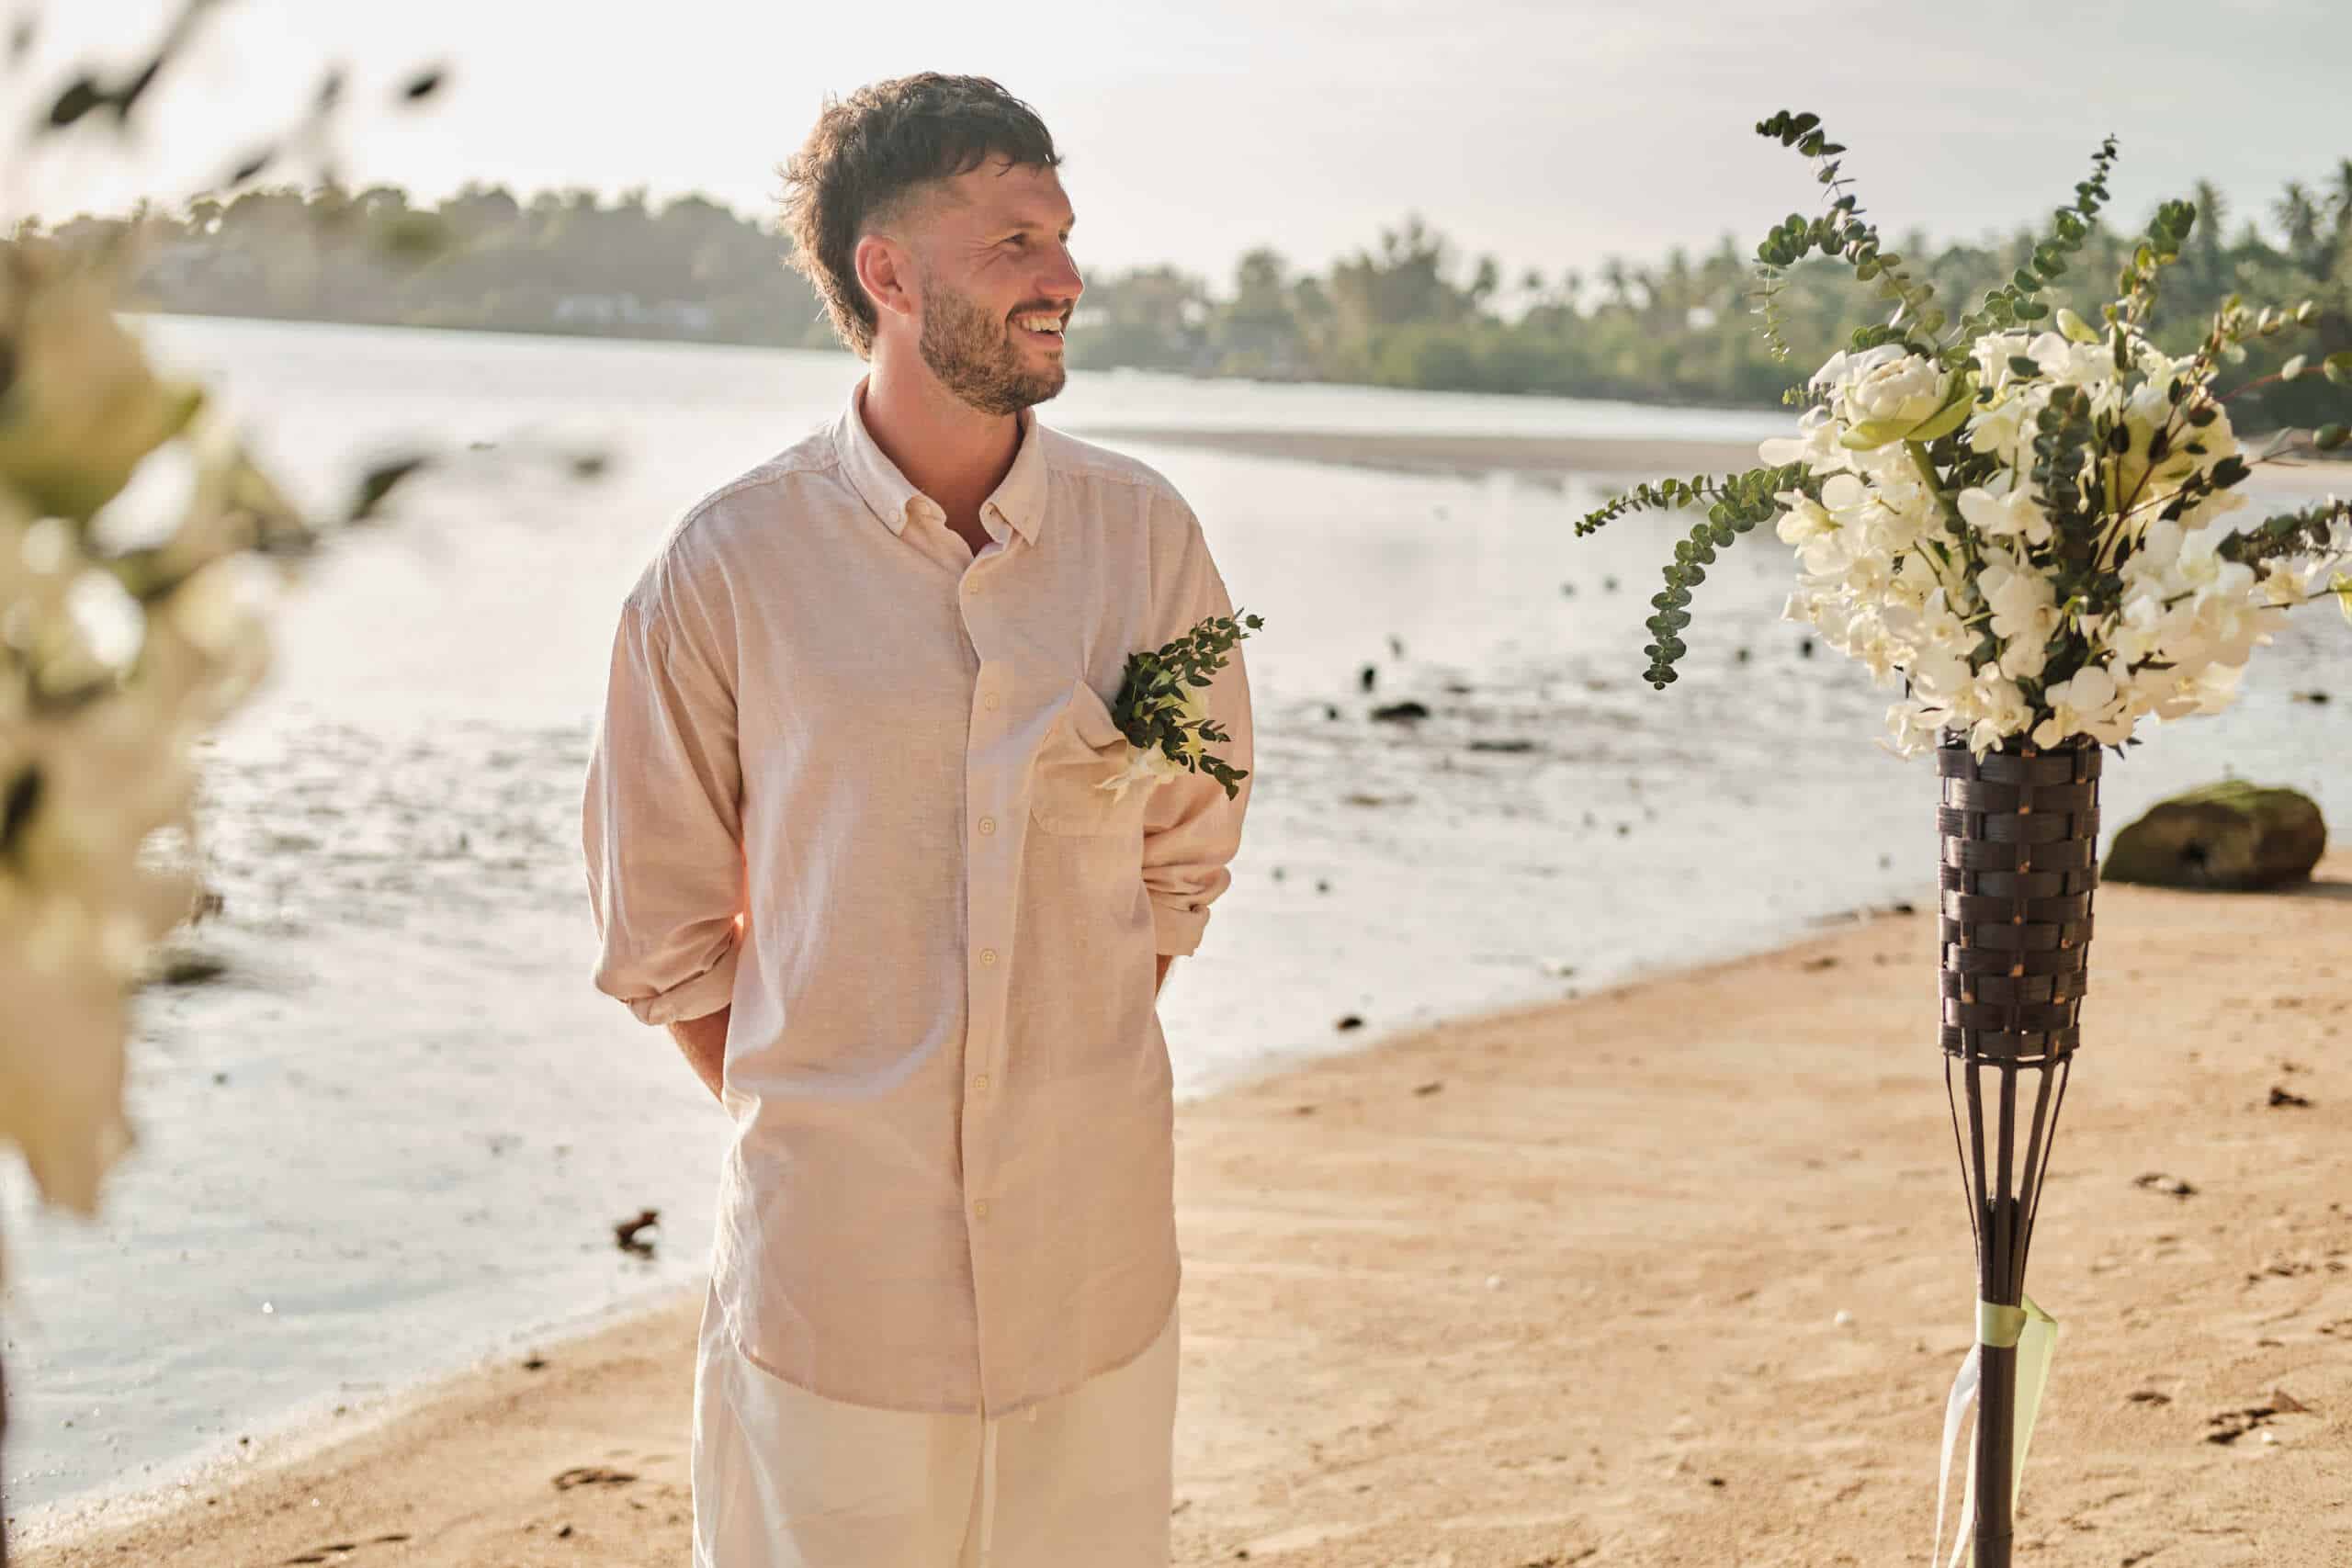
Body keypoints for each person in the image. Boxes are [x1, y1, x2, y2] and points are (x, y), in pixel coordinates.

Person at [581, 73, 1255, 1568]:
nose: (1064, 275)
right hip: (837, 1301)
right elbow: (665, 935)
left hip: (1094, 1282)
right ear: (887, 274)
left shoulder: (1146, 542)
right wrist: (849, 1121)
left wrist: (1038, 1082)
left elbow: (1182, 861)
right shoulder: (725, 570)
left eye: (1063, 235)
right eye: (1015, 239)